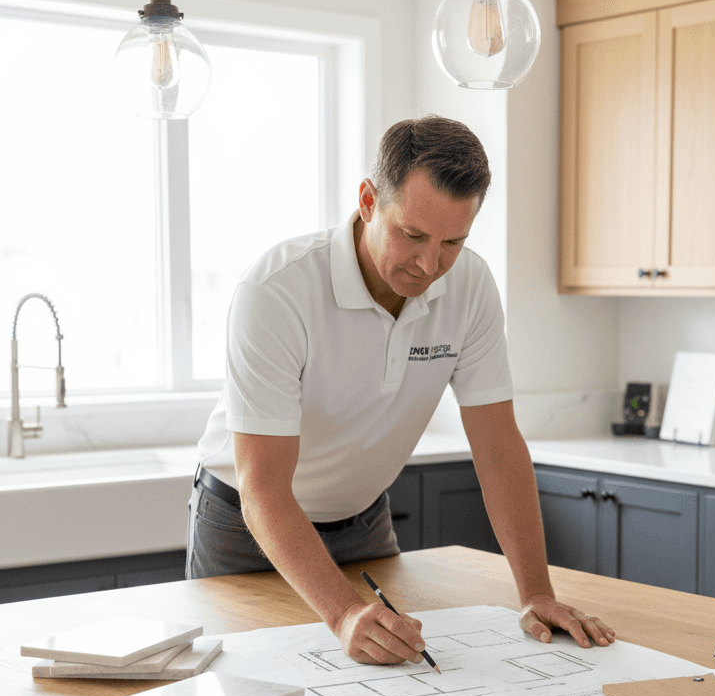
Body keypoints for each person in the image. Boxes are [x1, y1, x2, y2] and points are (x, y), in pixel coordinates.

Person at [188, 115, 614, 665]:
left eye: (452, 242)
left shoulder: (470, 288)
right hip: (247, 528)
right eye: (411, 235)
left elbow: (499, 447)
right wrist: (342, 612)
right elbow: (263, 487)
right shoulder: (277, 291)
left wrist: (536, 593)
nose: (428, 265)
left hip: (362, 523)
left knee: (390, 692)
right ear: (368, 201)